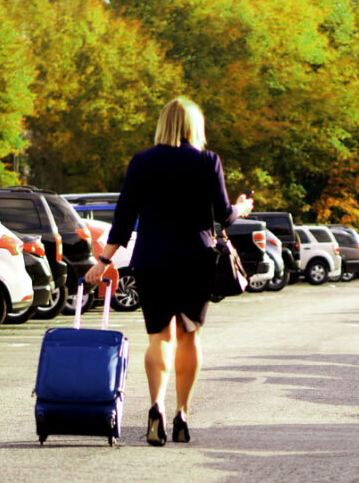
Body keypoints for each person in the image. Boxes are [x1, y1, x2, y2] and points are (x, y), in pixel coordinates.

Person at [84, 97, 253, 446]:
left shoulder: (142, 162)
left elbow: (124, 218)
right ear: (196, 126)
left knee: (159, 337)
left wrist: (103, 262)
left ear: (163, 124)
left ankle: (156, 406)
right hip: (196, 259)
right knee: (190, 336)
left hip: (153, 259)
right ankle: (182, 414)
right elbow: (224, 215)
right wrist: (242, 208)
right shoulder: (208, 161)